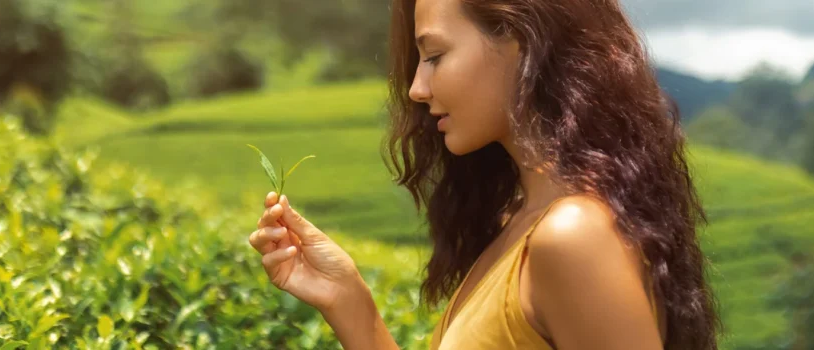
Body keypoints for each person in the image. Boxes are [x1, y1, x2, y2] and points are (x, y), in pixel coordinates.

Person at [246, 0, 720, 348]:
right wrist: (347, 299)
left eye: (433, 57)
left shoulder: (572, 236)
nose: (416, 88)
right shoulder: (518, 224)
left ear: (520, 41)